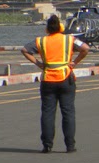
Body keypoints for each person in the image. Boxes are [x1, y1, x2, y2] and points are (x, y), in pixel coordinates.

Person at [21, 15, 89, 153]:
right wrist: (75, 62)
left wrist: (38, 63)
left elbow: (24, 50)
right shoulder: (69, 39)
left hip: (48, 78)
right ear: (60, 27)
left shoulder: (41, 41)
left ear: (47, 28)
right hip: (65, 77)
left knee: (47, 112)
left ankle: (47, 145)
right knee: (68, 111)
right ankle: (70, 145)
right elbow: (85, 48)